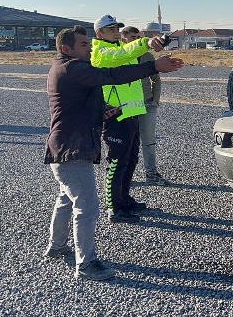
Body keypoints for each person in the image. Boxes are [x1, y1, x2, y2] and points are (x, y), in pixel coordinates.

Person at [44, 25, 183, 281]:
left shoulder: (65, 67)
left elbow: (76, 103)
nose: (89, 48)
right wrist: (154, 66)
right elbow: (112, 75)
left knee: (66, 197)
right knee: (86, 207)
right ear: (67, 49)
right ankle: (86, 264)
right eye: (84, 45)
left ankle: (56, 246)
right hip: (73, 149)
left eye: (88, 43)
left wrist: (101, 110)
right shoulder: (71, 68)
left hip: (65, 147)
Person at [91, 15, 167, 224]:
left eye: (117, 28)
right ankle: (114, 208)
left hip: (132, 113)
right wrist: (145, 42)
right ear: (99, 34)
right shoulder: (102, 52)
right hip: (116, 115)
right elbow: (123, 53)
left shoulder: (116, 49)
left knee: (130, 160)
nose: (115, 31)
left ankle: (124, 199)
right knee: (116, 163)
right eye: (110, 29)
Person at [120, 26, 170, 186]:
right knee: (127, 142)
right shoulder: (120, 58)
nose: (136, 40)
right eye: (132, 38)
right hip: (127, 106)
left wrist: (155, 100)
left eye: (137, 37)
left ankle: (151, 174)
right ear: (123, 40)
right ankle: (124, 176)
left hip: (147, 104)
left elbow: (156, 79)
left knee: (148, 141)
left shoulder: (147, 56)